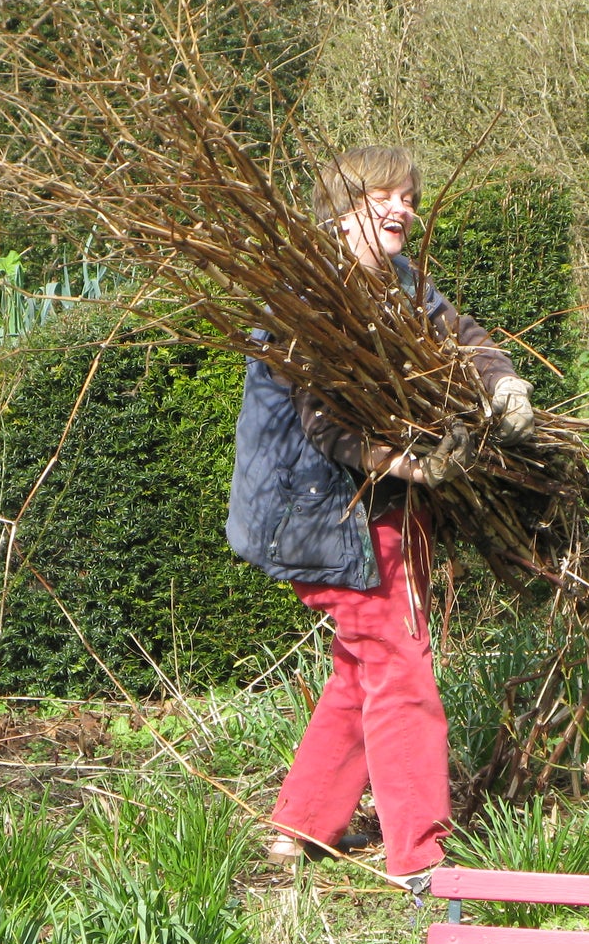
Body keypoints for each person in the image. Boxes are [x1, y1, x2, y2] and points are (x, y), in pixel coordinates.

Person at [225, 145, 537, 888]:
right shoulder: (305, 301)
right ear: (341, 210)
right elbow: (322, 422)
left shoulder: (402, 284)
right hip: (327, 512)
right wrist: (401, 463)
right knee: (399, 669)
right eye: (380, 197)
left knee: (361, 666)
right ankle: (418, 856)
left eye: (406, 197)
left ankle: (300, 827)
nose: (400, 209)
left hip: (387, 505)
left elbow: (462, 336)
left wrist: (504, 384)